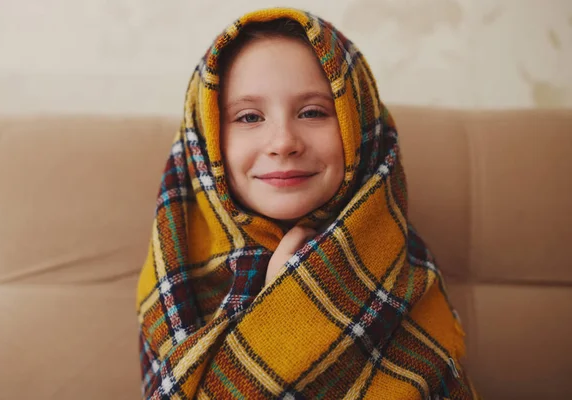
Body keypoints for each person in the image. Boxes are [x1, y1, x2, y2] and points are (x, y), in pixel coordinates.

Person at [136, 7, 477, 399]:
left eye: (312, 112)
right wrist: (283, 304)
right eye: (248, 117)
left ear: (359, 124)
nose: (283, 142)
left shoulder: (400, 271)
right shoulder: (175, 269)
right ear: (207, 137)